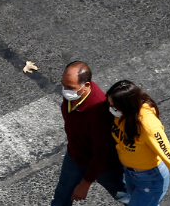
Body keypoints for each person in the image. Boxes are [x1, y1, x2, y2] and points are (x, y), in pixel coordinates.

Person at [107, 80, 170, 205]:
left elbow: (167, 152)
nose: (111, 108)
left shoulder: (147, 125)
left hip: (150, 180)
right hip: (130, 175)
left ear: (127, 105)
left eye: (114, 106)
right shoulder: (123, 115)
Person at [52, 61, 127, 206]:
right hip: (75, 156)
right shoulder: (75, 94)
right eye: (63, 85)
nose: (65, 91)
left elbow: (102, 153)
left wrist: (85, 183)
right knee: (61, 197)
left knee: (126, 196)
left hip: (104, 167)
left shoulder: (99, 112)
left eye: (70, 87)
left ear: (86, 85)